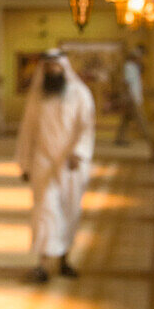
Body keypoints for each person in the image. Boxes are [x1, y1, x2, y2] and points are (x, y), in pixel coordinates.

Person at [16, 49, 95, 283]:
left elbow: (87, 127)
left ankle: (64, 261)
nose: (51, 70)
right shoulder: (37, 97)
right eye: (48, 67)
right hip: (42, 162)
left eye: (55, 66)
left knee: (69, 211)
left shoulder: (80, 93)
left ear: (63, 67)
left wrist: (78, 153)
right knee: (44, 211)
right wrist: (25, 163)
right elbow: (27, 131)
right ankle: (41, 264)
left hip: (70, 165)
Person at [114, 44, 150, 145]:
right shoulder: (128, 67)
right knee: (141, 119)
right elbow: (127, 83)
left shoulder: (135, 67)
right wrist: (130, 97)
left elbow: (142, 70)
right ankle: (150, 139)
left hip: (135, 97)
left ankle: (119, 139)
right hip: (132, 98)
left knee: (125, 119)